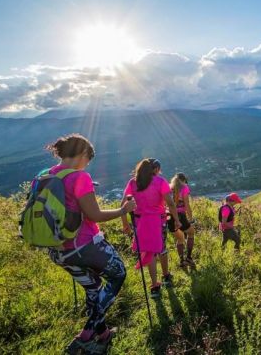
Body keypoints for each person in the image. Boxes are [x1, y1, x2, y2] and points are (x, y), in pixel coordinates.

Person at [44, 134, 136, 352]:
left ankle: (102, 335)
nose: (87, 164)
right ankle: (87, 334)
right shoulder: (79, 177)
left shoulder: (46, 176)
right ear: (83, 154)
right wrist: (123, 210)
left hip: (58, 251)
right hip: (85, 247)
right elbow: (93, 215)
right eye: (88, 159)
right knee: (118, 274)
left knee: (94, 289)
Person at [122, 158, 181, 299]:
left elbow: (123, 203)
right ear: (155, 170)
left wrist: (125, 224)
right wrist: (177, 220)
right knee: (161, 247)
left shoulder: (133, 182)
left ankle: (155, 286)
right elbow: (171, 203)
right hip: (158, 220)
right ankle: (166, 276)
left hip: (139, 222)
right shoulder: (160, 181)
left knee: (148, 252)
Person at [168, 173, 196, 268]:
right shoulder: (184, 188)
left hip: (169, 216)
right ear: (183, 180)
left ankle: (181, 261)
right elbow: (187, 204)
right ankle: (188, 258)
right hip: (180, 215)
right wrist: (191, 219)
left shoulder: (169, 187)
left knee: (180, 238)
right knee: (191, 233)